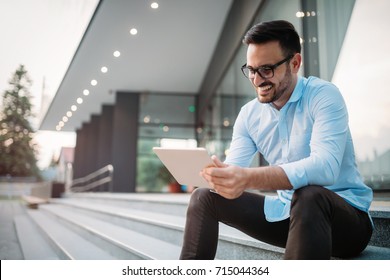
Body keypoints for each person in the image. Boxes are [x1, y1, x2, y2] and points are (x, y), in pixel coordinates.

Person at [179, 20, 373, 260]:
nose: (257, 80)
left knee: (310, 194)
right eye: (251, 70)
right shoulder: (249, 115)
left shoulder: (323, 95)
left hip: (346, 222)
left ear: (295, 63)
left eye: (267, 69)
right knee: (204, 197)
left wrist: (248, 177)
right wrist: (216, 177)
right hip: (287, 215)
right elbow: (235, 170)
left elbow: (325, 168)